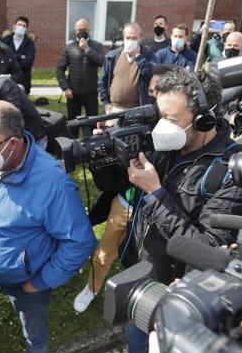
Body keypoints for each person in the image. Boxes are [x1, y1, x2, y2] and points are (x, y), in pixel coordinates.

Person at [120, 68, 242, 353]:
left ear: (204, 119)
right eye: (160, 115)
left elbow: (210, 248)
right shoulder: (164, 145)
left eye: (171, 119)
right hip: (144, 275)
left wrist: (155, 193)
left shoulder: (234, 170)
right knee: (136, 351)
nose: (161, 127)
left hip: (180, 296)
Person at [0, 101, 97, 353]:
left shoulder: (52, 183)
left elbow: (80, 242)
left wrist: (41, 281)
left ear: (12, 143)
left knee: (35, 336)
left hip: (27, 281)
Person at [73, 64, 177, 313]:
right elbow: (110, 179)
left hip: (161, 209)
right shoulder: (134, 120)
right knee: (106, 249)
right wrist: (106, 149)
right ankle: (93, 287)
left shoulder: (180, 132)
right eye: (152, 90)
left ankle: (144, 298)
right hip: (127, 202)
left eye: (161, 92)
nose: (154, 98)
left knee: (148, 258)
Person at [99, 22, 157, 113]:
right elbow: (102, 80)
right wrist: (106, 103)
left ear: (140, 38)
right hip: (115, 108)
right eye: (128, 38)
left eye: (134, 38)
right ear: (124, 38)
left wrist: (138, 57)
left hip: (138, 109)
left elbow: (153, 75)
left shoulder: (148, 54)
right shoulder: (112, 56)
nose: (130, 40)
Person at [56, 18, 105, 123]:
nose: (82, 32)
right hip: (73, 93)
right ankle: (74, 139)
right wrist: (66, 88)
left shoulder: (97, 46)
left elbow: (102, 62)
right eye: (79, 30)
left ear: (89, 30)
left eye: (84, 29)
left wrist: (87, 49)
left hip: (91, 92)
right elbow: (60, 69)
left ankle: (93, 140)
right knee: (73, 123)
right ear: (75, 31)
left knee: (93, 122)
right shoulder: (69, 47)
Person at [1, 16, 36, 94]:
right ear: (14, 26)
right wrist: (20, 56)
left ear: (26, 29)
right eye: (19, 25)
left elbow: (29, 62)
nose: (21, 27)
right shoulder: (5, 41)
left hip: (24, 82)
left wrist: (11, 60)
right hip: (6, 82)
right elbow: (2, 59)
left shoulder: (30, 44)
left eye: (24, 26)